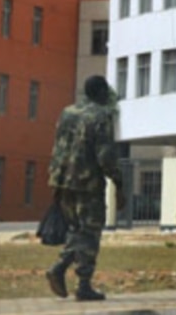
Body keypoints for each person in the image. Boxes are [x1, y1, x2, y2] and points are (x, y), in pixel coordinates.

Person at [45, 75, 126, 301]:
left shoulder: (67, 112)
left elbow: (58, 146)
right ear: (100, 92)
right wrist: (119, 183)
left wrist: (55, 180)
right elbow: (106, 156)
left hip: (62, 181)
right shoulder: (101, 116)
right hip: (87, 183)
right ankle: (81, 284)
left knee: (77, 230)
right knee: (89, 232)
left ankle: (61, 269)